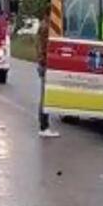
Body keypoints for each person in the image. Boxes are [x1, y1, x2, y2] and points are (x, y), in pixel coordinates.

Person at [36, 10, 59, 138]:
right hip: (45, 63)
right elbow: (45, 47)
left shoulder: (42, 25)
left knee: (45, 95)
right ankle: (44, 126)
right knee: (45, 96)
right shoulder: (46, 28)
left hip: (42, 63)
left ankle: (44, 125)